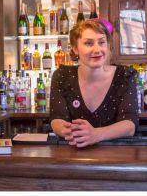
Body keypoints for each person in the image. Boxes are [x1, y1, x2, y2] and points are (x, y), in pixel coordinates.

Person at [49, 19, 138, 147]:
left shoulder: (124, 76)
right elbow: (57, 118)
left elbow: (129, 125)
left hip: (116, 157)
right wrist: (73, 133)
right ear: (75, 48)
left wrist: (96, 134)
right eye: (89, 43)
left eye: (102, 42)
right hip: (73, 154)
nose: (97, 49)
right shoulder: (62, 76)